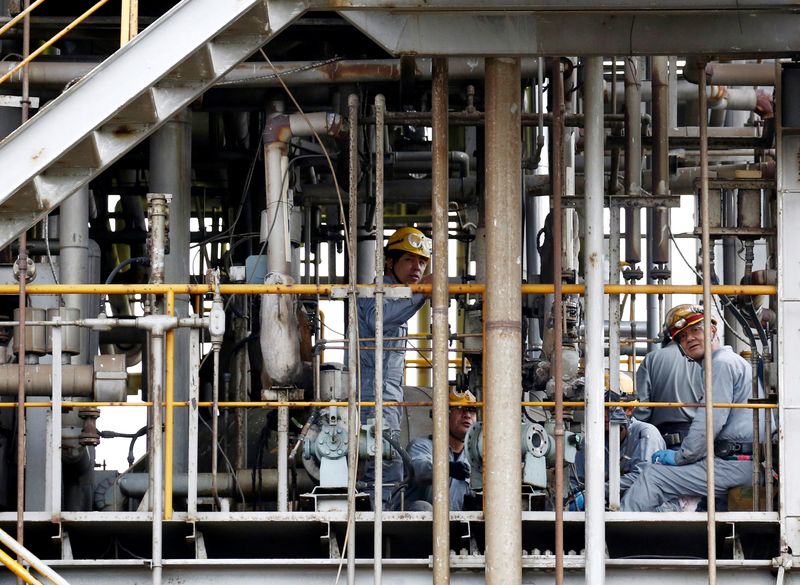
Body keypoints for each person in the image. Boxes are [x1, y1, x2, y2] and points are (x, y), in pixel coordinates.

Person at [621, 304, 754, 512]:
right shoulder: (732, 362)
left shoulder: (720, 364)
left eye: (695, 329)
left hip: (732, 464)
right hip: (739, 459)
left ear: (712, 329)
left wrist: (680, 456)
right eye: (682, 336)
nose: (689, 338)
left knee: (654, 477)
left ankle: (611, 541)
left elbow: (710, 422)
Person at [358, 226, 433, 506]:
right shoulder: (372, 293)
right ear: (390, 262)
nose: (417, 267)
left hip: (388, 400)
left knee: (387, 465)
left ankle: (381, 518)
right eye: (409, 260)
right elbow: (378, 321)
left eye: (422, 261)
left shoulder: (400, 296)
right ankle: (379, 525)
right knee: (384, 464)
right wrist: (422, 293)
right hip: (370, 398)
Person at [571, 372, 665, 507]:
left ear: (629, 410)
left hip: (644, 510)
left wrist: (594, 492)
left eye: (609, 408)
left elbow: (644, 477)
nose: (602, 414)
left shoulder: (645, 434)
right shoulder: (593, 440)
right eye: (598, 408)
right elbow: (576, 479)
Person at [396, 389, 478, 511]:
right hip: (418, 523)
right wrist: (449, 469)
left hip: (457, 524)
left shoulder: (474, 457)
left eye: (472, 410)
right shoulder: (421, 446)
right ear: (444, 415)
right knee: (423, 508)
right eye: (460, 408)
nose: (467, 415)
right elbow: (419, 471)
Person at [634, 316, 704, 449]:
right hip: (706, 439)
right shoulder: (712, 359)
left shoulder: (652, 359)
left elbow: (642, 409)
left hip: (666, 440)